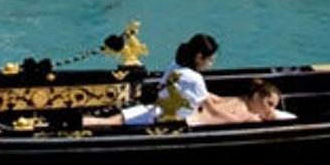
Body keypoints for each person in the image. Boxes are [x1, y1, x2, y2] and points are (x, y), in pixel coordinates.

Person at [83, 33, 226, 127]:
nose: (211, 64)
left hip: (154, 109)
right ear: (199, 57)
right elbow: (211, 109)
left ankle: (82, 121)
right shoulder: (195, 79)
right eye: (210, 60)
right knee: (109, 121)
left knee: (110, 120)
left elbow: (204, 96)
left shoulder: (176, 64)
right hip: (170, 118)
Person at [188, 79, 291, 126]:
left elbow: (214, 98)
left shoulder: (238, 101)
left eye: (273, 107)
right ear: (256, 96)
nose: (271, 109)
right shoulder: (249, 115)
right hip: (189, 116)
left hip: (188, 113)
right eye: (269, 103)